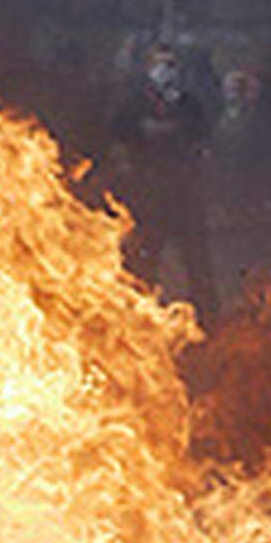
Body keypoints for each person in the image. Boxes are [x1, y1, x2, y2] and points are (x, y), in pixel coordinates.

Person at [110, 42, 219, 328]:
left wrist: (178, 133)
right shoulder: (135, 102)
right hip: (150, 193)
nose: (167, 70)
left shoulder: (188, 103)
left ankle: (209, 319)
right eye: (161, 64)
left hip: (184, 192)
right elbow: (118, 132)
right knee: (145, 259)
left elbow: (203, 134)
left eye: (172, 64)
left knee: (197, 260)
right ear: (148, 68)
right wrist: (144, 134)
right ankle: (135, 319)